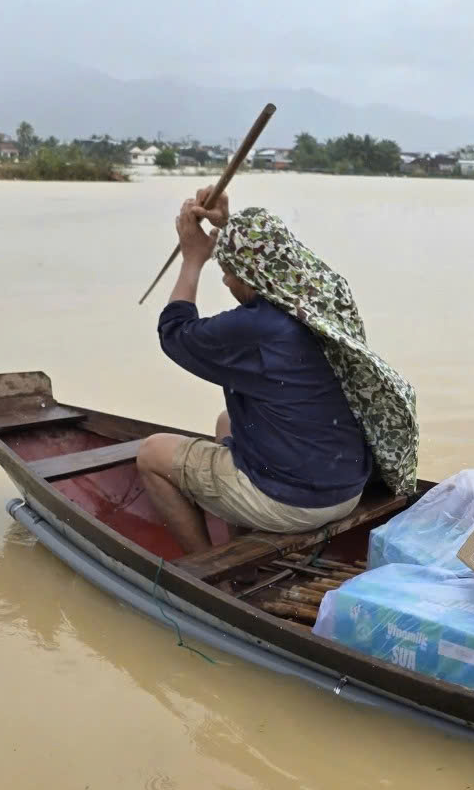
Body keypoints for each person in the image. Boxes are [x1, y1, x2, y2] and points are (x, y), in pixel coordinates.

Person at [137, 188, 418, 555]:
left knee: (152, 454)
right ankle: (242, 551)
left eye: (229, 273)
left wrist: (192, 260)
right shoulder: (323, 297)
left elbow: (175, 333)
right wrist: (229, 226)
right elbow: (270, 256)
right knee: (226, 422)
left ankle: (207, 572)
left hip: (298, 503)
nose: (226, 282)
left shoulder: (258, 329)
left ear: (250, 277)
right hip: (348, 485)